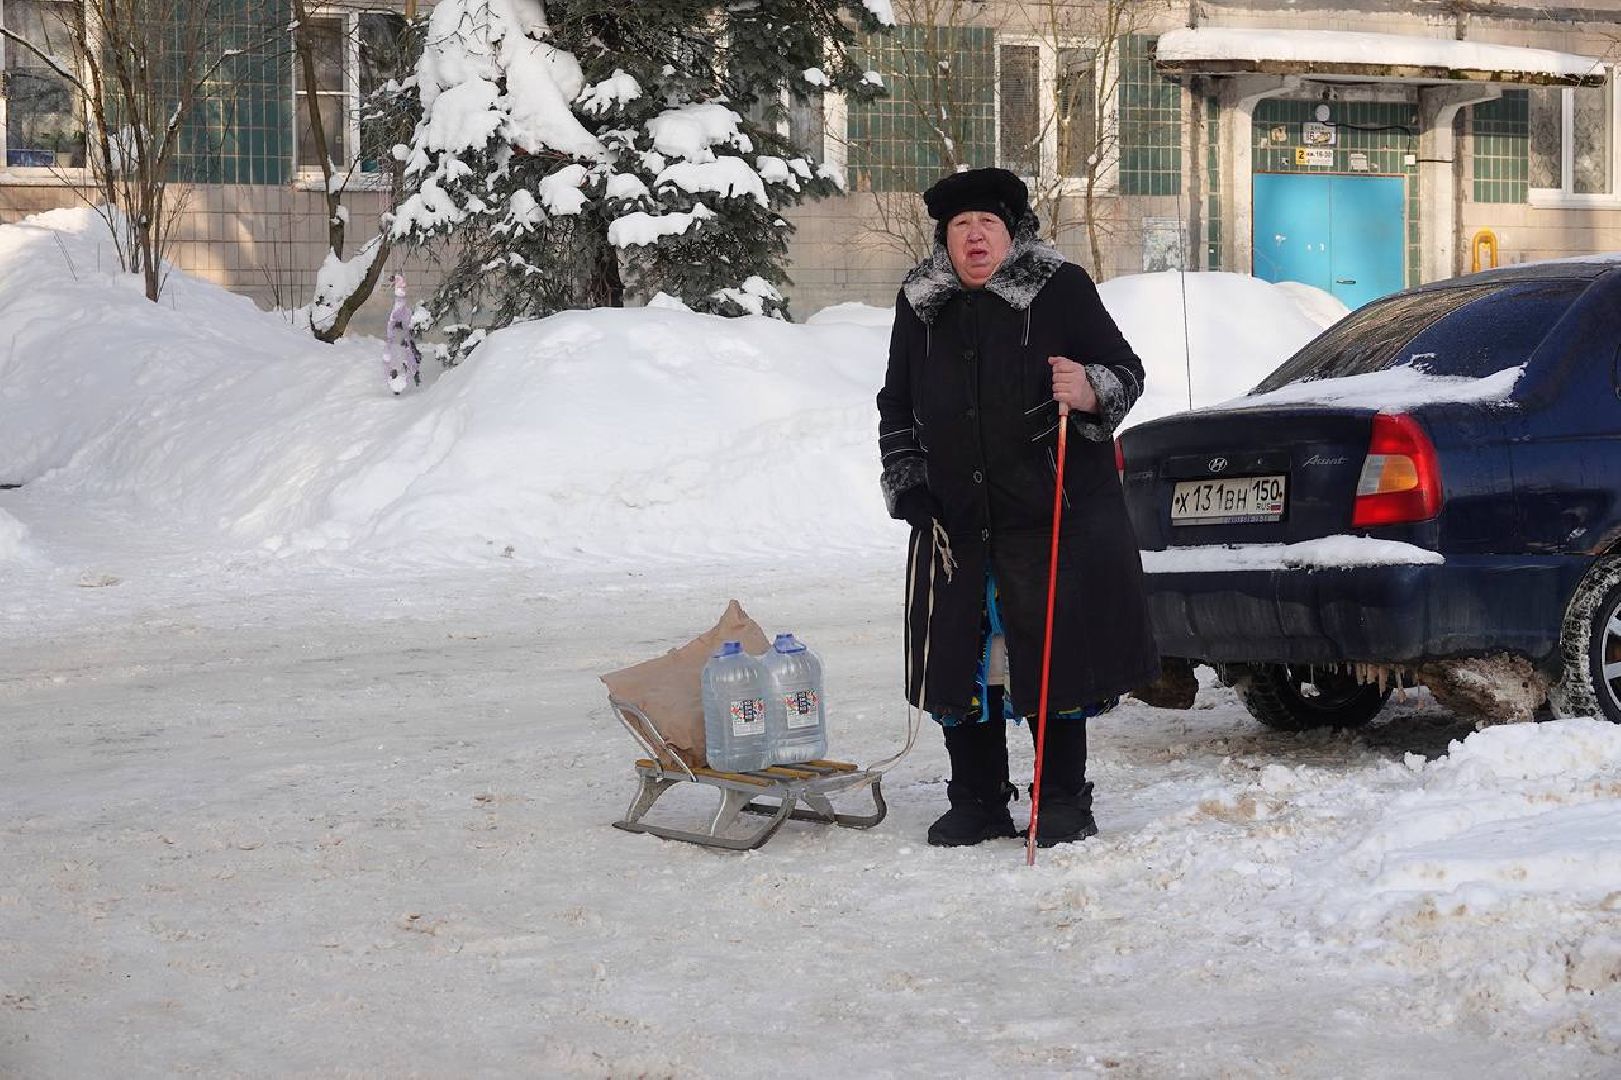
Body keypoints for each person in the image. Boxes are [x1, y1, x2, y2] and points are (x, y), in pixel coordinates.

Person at [876, 167, 1159, 848]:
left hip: (1049, 511)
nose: (974, 237)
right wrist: (907, 479)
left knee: (1051, 660)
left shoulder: (1057, 288)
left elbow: (1126, 372)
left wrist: (1088, 388)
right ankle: (974, 798)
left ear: (1013, 234)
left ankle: (1061, 798)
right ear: (944, 240)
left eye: (988, 225)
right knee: (961, 660)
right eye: (960, 227)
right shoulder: (920, 302)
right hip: (957, 520)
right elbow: (896, 401)